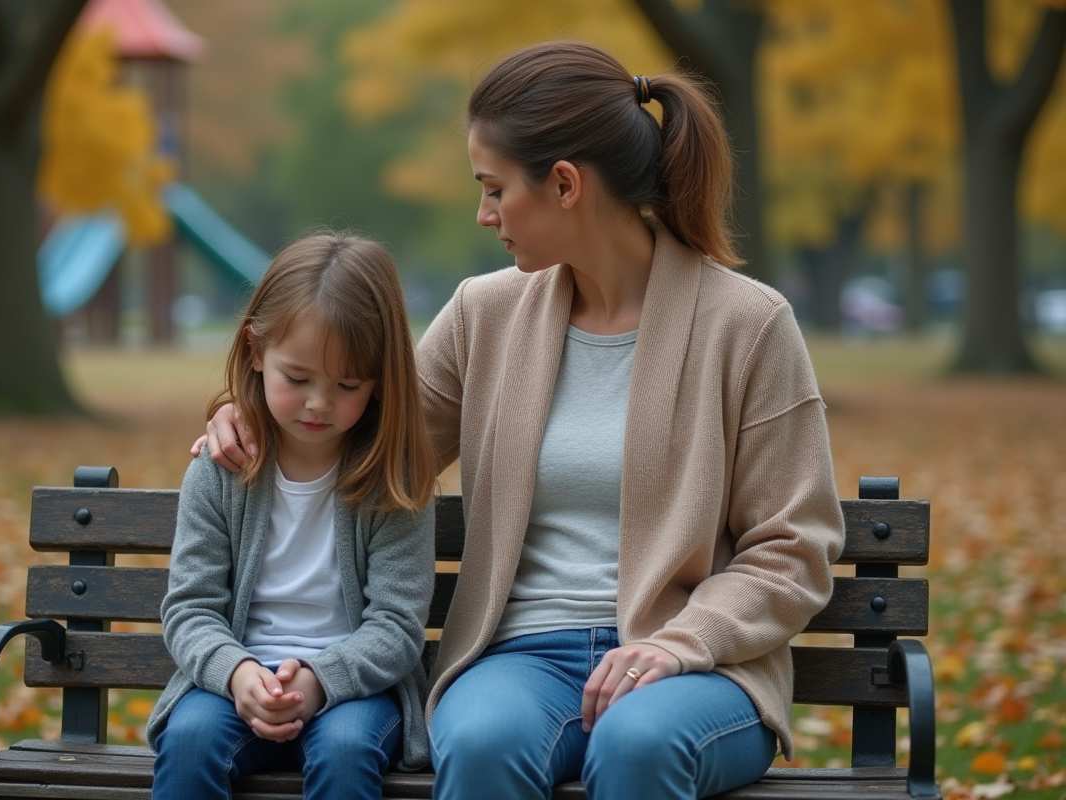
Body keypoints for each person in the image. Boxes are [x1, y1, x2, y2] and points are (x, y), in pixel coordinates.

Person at [199, 41, 845, 800]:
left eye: (495, 189)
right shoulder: (484, 315)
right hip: (520, 659)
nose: (484, 215)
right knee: (480, 743)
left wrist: (681, 644)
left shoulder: (749, 325)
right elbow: (368, 429)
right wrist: (243, 413)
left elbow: (793, 547)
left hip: (695, 668)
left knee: (636, 746)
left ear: (565, 184)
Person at [150, 231, 438, 800]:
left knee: (346, 751)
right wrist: (237, 674)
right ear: (256, 351)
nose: (318, 403)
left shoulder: (393, 480)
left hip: (352, 690)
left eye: (347, 385)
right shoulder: (220, 469)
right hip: (235, 680)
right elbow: (190, 607)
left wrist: (317, 681)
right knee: (189, 741)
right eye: (298, 379)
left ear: (380, 379)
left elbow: (396, 626)